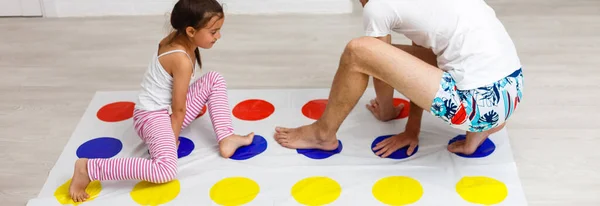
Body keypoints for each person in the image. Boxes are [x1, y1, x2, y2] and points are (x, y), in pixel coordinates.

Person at [274, 0, 524, 158]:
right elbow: (425, 64)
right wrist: (412, 128)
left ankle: (322, 133)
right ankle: (477, 134)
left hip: (473, 107)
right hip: (510, 93)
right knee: (460, 61)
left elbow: (379, 67)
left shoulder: (377, 6)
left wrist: (387, 111)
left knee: (357, 52)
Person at [68, 0, 254, 202]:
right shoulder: (180, 59)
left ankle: (226, 137)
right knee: (165, 170)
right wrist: (171, 140)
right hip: (151, 117)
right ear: (191, 31)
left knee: (214, 79)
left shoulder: (179, 37)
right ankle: (88, 168)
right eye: (213, 32)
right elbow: (179, 109)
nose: (218, 36)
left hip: (165, 112)